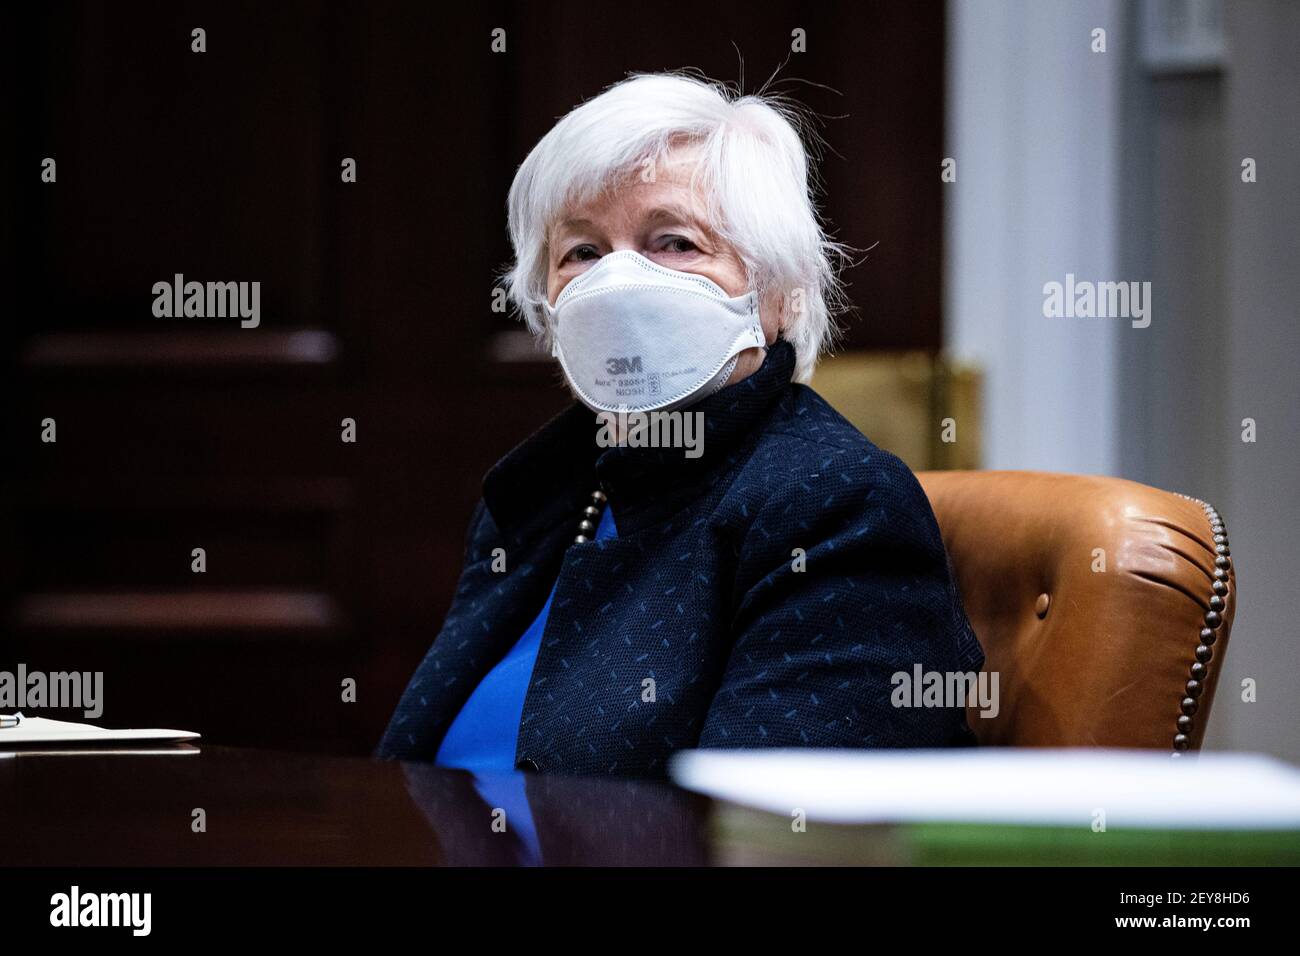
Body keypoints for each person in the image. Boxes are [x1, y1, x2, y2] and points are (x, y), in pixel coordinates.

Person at [378, 72, 984, 779]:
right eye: (583, 252)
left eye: (674, 242)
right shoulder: (546, 497)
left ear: (781, 293)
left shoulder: (837, 507)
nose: (621, 282)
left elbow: (765, 836)